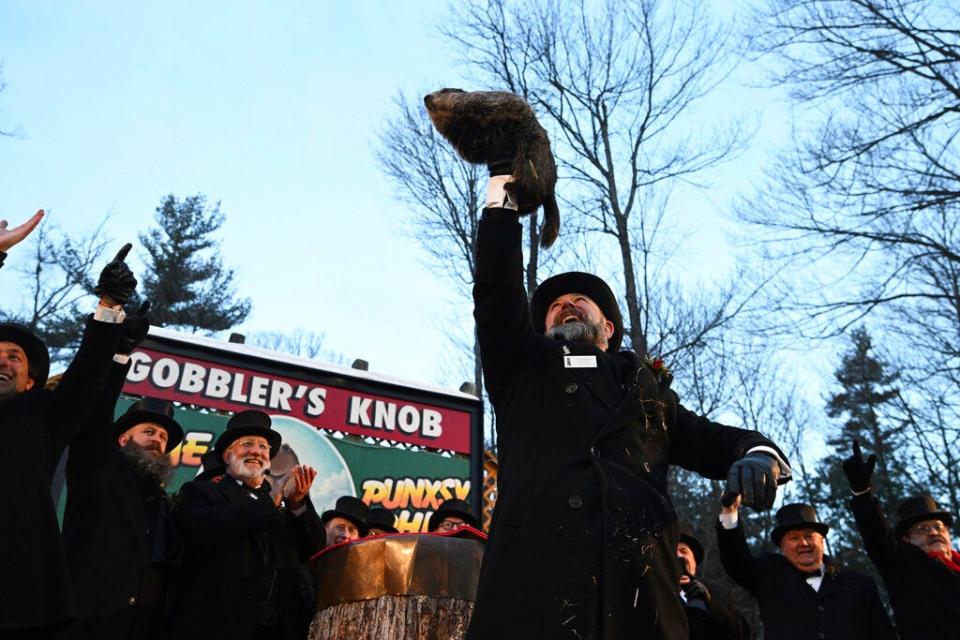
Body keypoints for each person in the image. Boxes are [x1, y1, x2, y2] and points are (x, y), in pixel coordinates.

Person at [463, 146, 793, 639]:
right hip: (534, 591)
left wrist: (759, 454)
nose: (566, 306)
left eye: (581, 301)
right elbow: (495, 292)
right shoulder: (522, 371)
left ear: (610, 328)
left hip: (638, 601)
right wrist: (504, 190)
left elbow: (716, 441)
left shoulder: (648, 397)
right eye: (554, 306)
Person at [1, 243, 137, 639]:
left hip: (14, 593)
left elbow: (85, 377)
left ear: (30, 381)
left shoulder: (41, 418)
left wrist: (110, 305)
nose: (3, 361)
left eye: (15, 357)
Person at [61, 306, 179, 640]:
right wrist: (119, 354)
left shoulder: (160, 500)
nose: (157, 440)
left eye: (163, 438)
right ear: (123, 438)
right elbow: (96, 410)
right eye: (149, 432)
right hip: (84, 619)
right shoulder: (100, 463)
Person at [171, 410, 324, 640]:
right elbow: (202, 530)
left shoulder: (280, 507)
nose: (256, 451)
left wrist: (298, 504)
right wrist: (270, 502)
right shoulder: (203, 492)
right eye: (247, 444)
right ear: (227, 456)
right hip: (218, 626)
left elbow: (312, 549)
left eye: (263, 447)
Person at [716, 496, 895, 640]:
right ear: (782, 547)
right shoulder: (769, 576)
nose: (803, 543)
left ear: (822, 541)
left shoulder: (859, 585)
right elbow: (735, 561)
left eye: (809, 536)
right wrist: (730, 512)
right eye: (794, 538)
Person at [843, 441, 960, 635]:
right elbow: (877, 534)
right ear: (906, 539)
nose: (933, 532)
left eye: (938, 527)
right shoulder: (904, 564)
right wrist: (862, 493)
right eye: (922, 529)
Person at [676, 530, 750, 640]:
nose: (679, 555)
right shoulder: (654, 595)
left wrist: (710, 603)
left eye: (684, 551)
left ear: (694, 562)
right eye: (673, 552)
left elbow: (741, 634)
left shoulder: (720, 594)